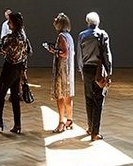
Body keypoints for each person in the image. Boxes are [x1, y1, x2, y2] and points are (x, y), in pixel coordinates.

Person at [77, 11, 113, 141]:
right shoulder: (103, 35)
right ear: (98, 22)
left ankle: (90, 127)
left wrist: (81, 70)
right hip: (98, 70)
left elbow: (80, 55)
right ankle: (95, 132)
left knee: (88, 99)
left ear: (87, 22)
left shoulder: (82, 35)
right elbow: (107, 55)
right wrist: (109, 72)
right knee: (98, 100)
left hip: (87, 69)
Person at [0, 11, 30, 134]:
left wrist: (3, 40)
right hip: (18, 68)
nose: (8, 24)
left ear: (14, 23)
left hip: (9, 68)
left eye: (9, 22)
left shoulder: (11, 38)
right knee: (14, 96)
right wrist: (24, 71)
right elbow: (28, 52)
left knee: (0, 94)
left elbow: (1, 50)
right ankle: (17, 125)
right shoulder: (23, 37)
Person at [44, 12, 75, 133]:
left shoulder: (61, 36)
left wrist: (53, 51)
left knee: (60, 97)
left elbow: (64, 53)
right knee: (68, 96)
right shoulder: (69, 36)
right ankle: (69, 120)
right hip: (68, 71)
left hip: (62, 71)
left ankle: (61, 122)